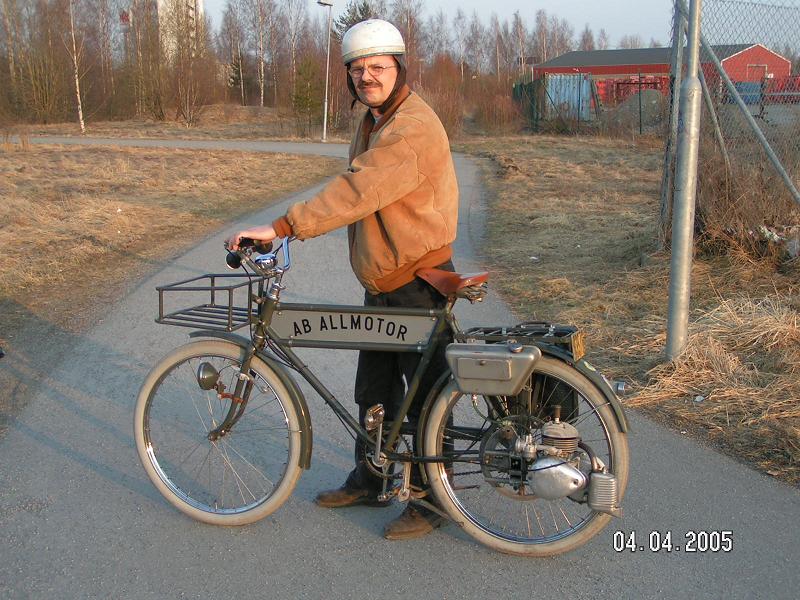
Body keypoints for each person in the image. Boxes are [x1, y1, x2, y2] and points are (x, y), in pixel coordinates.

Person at [227, 19, 459, 541]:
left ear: (399, 68)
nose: (366, 77)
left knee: (425, 398)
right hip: (384, 282)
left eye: (377, 67)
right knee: (374, 388)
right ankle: (372, 478)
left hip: (416, 283)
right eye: (357, 69)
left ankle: (432, 501)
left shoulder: (411, 127)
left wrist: (283, 227)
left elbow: (358, 190)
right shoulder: (375, 119)